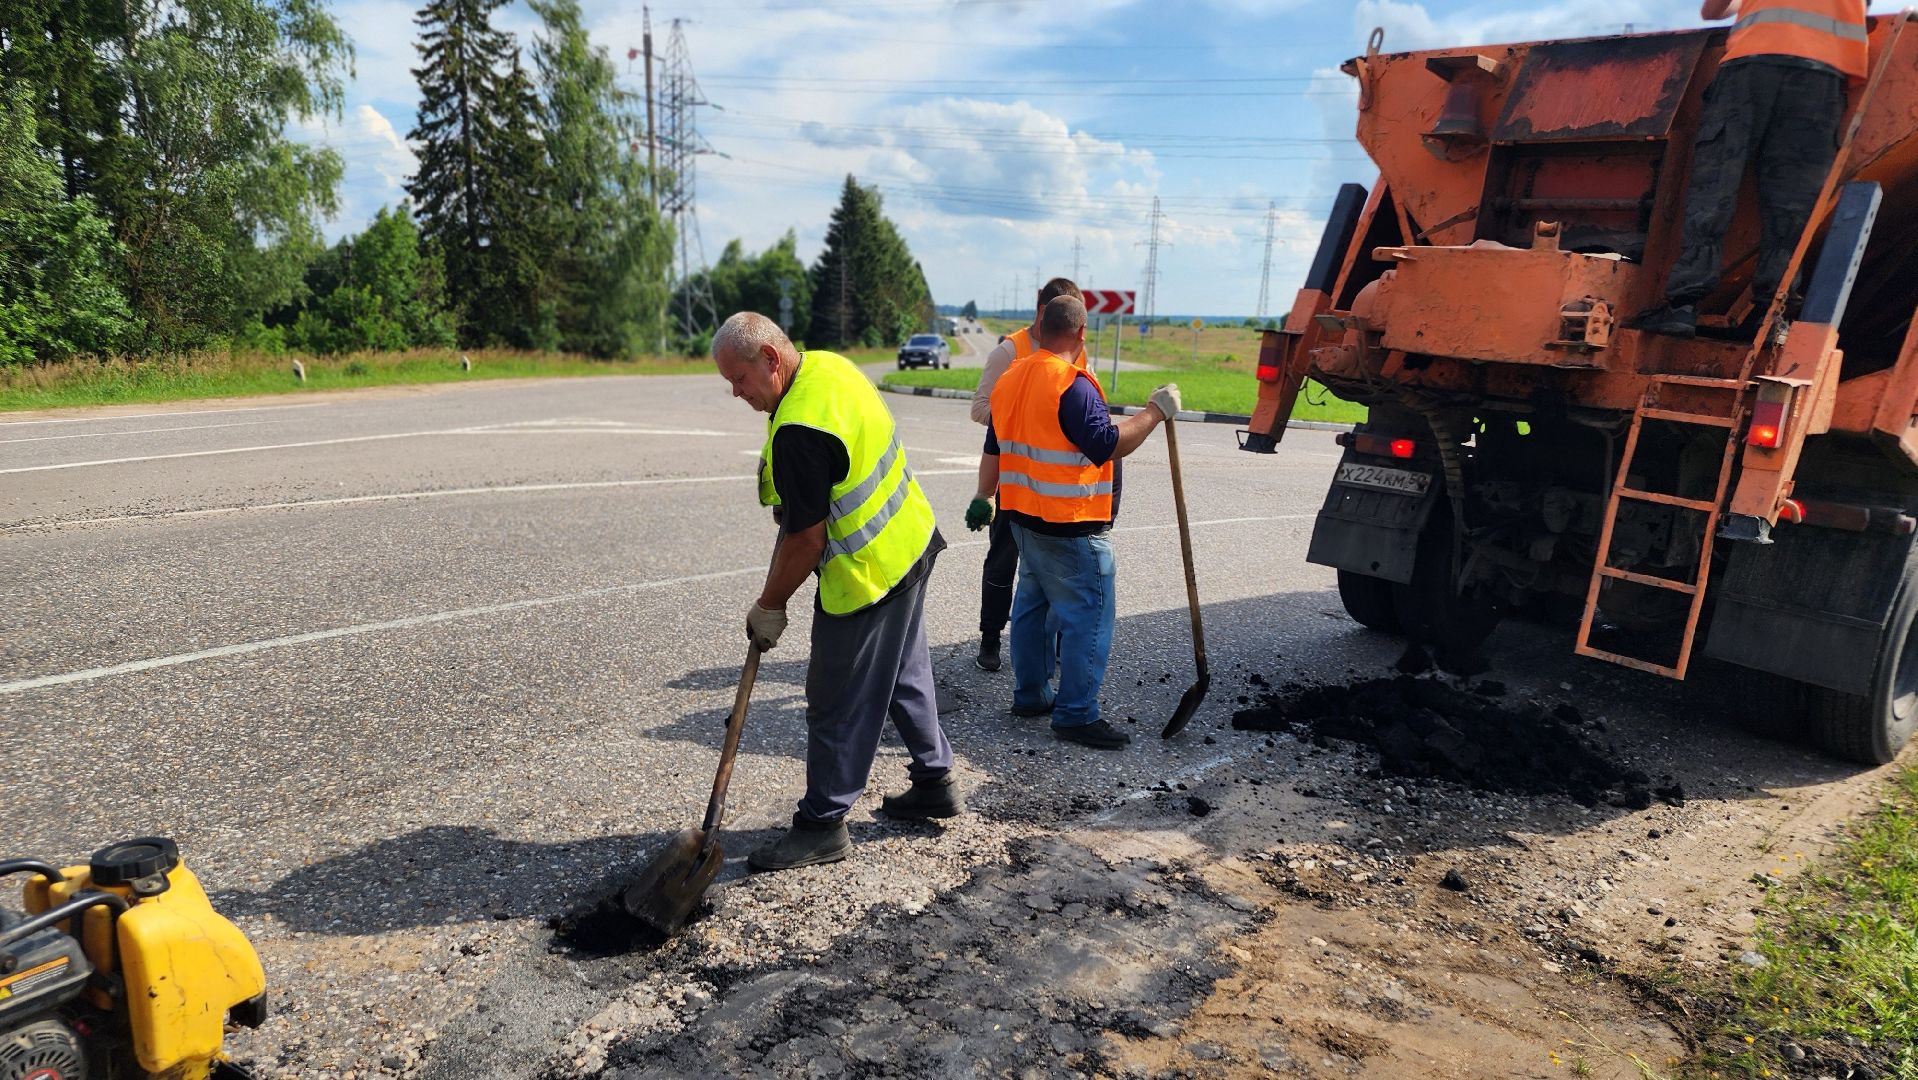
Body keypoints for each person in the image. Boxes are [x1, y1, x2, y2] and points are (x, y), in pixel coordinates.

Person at [712, 312, 959, 872]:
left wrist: (770, 605)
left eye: (740, 379)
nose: (736, 392)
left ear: (770, 359)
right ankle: (935, 780)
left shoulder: (800, 429)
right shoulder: (826, 367)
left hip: (869, 572)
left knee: (835, 700)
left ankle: (823, 824)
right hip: (910, 540)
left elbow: (806, 540)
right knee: (903, 672)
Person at [974, 295, 1180, 749]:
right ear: (1082, 332)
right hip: (1070, 526)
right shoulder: (1071, 384)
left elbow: (994, 448)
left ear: (1039, 328)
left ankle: (1031, 695)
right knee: (1088, 618)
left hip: (1024, 519)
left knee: (1031, 609)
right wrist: (1155, 412)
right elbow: (1105, 444)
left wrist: (982, 496)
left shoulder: (1010, 379)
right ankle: (1075, 714)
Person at [1627, 0, 1865, 338]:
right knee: (1793, 204)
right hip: (1821, 75)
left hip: (1752, 64)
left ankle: (1683, 307)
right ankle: (1772, 315)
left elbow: (1712, 11)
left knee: (1716, 182)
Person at [965, 277, 1087, 673]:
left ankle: (1055, 640)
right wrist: (1025, 414)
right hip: (1014, 481)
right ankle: (990, 637)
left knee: (1057, 569)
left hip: (1059, 487)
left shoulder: (1078, 352)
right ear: (1043, 312)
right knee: (1003, 562)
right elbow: (980, 408)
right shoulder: (1009, 351)